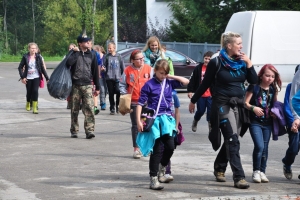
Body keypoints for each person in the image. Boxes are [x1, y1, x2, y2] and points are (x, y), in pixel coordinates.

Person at [188, 31, 258, 189]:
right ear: (229, 45)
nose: (241, 46)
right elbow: (205, 84)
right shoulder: (216, 62)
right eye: (238, 44)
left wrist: (249, 63)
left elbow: (254, 81)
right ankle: (239, 177)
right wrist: (193, 100)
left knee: (231, 139)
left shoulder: (242, 62)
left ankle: (219, 167)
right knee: (233, 139)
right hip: (222, 104)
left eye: (241, 43)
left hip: (239, 105)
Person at [136, 59, 189, 190]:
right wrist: (138, 121)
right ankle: (153, 179)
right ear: (155, 71)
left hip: (167, 119)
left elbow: (186, 82)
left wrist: (169, 76)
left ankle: (162, 167)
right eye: (161, 73)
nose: (163, 76)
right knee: (157, 149)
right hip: (154, 119)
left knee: (170, 146)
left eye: (165, 73)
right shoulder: (149, 85)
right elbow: (140, 104)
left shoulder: (169, 82)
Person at [244, 64, 281, 183]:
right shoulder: (253, 87)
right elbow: (245, 103)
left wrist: (275, 113)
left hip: (268, 123)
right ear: (261, 76)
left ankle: (262, 171)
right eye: (267, 75)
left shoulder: (273, 89)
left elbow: (274, 105)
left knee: (265, 148)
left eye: (272, 76)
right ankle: (256, 171)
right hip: (255, 122)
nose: (270, 78)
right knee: (259, 146)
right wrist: (253, 108)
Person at [119, 50, 153, 159]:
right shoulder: (127, 70)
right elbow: (121, 84)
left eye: (142, 58)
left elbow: (154, 82)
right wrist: (126, 95)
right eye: (139, 59)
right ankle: (136, 149)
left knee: (147, 125)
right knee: (135, 125)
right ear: (132, 60)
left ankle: (147, 148)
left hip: (147, 102)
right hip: (134, 102)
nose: (141, 60)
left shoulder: (148, 69)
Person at [66, 34, 100, 139]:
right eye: (86, 41)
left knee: (89, 108)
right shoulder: (74, 53)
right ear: (80, 44)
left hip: (88, 85)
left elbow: (95, 71)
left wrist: (97, 87)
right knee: (74, 109)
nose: (89, 42)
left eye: (89, 41)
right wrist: (76, 52)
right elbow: (68, 63)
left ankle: (89, 130)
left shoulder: (93, 54)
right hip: (75, 85)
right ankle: (74, 130)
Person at [18, 42, 49, 114]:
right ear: (29, 49)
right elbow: (20, 67)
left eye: (35, 48)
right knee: (29, 92)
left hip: (36, 76)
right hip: (28, 77)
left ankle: (35, 108)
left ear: (37, 49)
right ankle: (28, 102)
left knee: (35, 91)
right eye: (32, 48)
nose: (33, 50)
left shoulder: (38, 57)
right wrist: (22, 77)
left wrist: (47, 78)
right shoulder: (25, 56)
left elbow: (42, 68)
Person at [187, 51, 214, 132]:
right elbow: (192, 79)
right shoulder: (198, 68)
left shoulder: (213, 68)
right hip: (201, 95)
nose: (207, 61)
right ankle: (195, 120)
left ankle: (210, 126)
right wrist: (190, 90)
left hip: (210, 94)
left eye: (209, 59)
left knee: (210, 112)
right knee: (201, 111)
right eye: (206, 58)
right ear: (203, 58)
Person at [283, 65, 300, 179]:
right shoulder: (291, 87)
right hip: (295, 122)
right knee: (294, 148)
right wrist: (294, 120)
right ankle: (287, 163)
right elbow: (287, 105)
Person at [103, 42, 124, 115]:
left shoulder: (119, 56)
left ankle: (117, 105)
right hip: (109, 77)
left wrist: (122, 76)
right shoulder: (106, 56)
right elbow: (104, 66)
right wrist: (103, 69)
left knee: (118, 91)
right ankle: (112, 107)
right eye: (108, 48)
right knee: (111, 93)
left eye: (110, 48)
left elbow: (122, 67)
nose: (109, 49)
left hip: (117, 77)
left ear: (114, 48)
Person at [94, 45, 108, 110]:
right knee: (101, 89)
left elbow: (108, 66)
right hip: (98, 76)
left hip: (105, 75)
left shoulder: (105, 57)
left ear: (98, 50)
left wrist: (104, 69)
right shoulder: (95, 57)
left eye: (95, 51)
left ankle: (103, 101)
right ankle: (103, 103)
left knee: (105, 90)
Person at [66, 43, 77, 109]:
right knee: (69, 90)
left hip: (75, 75)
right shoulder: (66, 56)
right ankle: (69, 102)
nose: (71, 49)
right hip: (68, 75)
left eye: (72, 48)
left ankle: (76, 103)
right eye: (69, 48)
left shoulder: (77, 55)